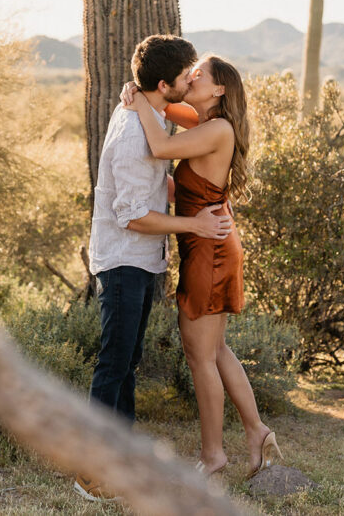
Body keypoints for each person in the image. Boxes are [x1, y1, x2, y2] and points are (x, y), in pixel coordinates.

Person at [74, 35, 233, 503]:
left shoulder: (154, 114)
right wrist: (194, 224)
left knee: (128, 364)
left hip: (143, 260)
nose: (192, 81)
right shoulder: (130, 133)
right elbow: (130, 216)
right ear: (165, 84)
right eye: (187, 77)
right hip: (124, 258)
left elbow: (157, 168)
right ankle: (90, 471)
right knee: (113, 363)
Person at [121, 54, 282, 479]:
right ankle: (257, 433)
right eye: (190, 73)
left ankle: (213, 457)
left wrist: (138, 104)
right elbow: (164, 105)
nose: (192, 78)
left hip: (210, 250)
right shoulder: (205, 124)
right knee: (215, 350)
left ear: (219, 90)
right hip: (209, 244)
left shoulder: (217, 129)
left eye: (200, 75)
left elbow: (159, 146)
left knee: (200, 355)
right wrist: (139, 94)